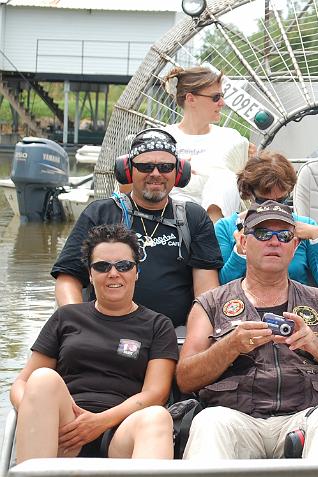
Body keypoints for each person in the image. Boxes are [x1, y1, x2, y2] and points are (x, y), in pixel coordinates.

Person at [176, 200, 318, 460]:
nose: (274, 242)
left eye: (284, 235)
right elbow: (185, 378)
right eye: (262, 233)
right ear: (243, 243)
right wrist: (230, 346)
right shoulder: (211, 303)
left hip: (303, 418)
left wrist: (315, 344)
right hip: (235, 418)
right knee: (209, 422)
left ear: (295, 245)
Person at [11, 224, 178, 462]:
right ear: (90, 274)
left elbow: (156, 393)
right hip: (66, 427)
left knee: (157, 416)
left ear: (136, 272)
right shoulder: (66, 317)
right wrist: (36, 412)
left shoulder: (158, 325)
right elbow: (22, 383)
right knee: (42, 379)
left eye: (124, 265)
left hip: (122, 430)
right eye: (102, 266)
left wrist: (99, 422)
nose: (113, 273)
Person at [52, 128, 223, 328]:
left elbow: (206, 294)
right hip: (104, 330)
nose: (156, 174)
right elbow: (68, 278)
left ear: (178, 172)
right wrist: (78, 324)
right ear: (128, 170)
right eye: (145, 166)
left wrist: (196, 337)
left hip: (174, 334)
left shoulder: (194, 217)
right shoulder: (100, 213)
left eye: (166, 167)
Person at [214, 150, 318, 296]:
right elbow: (220, 292)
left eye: (281, 201)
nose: (273, 207)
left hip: (296, 305)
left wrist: (317, 237)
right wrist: (240, 252)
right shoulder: (226, 228)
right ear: (249, 193)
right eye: (263, 201)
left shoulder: (305, 228)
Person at [163, 65, 254, 222]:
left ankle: (212, 234)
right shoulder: (164, 138)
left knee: (223, 179)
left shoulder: (231, 138)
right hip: (173, 217)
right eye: (216, 97)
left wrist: (253, 165)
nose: (222, 103)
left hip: (218, 219)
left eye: (222, 96)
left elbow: (247, 189)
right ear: (191, 99)